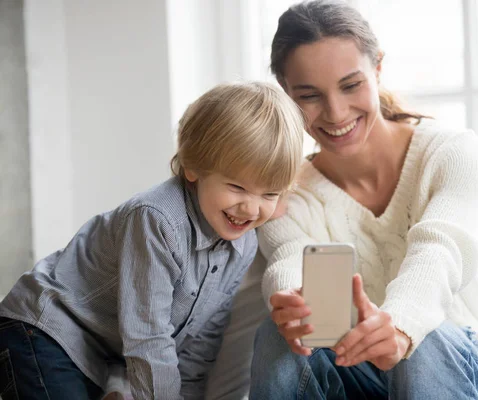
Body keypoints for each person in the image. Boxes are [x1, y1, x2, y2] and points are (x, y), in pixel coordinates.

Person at [249, 1, 478, 399]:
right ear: (287, 94)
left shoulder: (453, 152)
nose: (336, 112)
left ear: (377, 69)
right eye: (309, 95)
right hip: (372, 377)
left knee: (423, 339)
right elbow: (289, 256)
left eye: (350, 85)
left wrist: (401, 326)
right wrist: (291, 300)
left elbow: (440, 249)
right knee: (275, 336)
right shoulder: (288, 191)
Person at [0, 82, 305, 399]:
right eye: (237, 188)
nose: (251, 208)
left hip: (105, 356)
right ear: (193, 167)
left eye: (269, 194)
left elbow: (198, 345)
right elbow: (148, 335)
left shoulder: (242, 248)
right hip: (45, 331)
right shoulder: (157, 220)